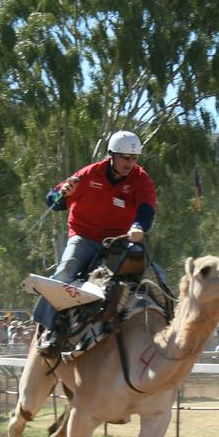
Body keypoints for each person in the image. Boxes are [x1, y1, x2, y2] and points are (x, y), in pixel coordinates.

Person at [33, 130, 157, 353]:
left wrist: (139, 227)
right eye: (125, 157)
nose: (130, 163)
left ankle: (166, 323)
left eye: (134, 158)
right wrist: (61, 194)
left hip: (119, 241)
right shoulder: (89, 174)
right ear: (111, 154)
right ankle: (48, 329)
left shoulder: (141, 180)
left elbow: (146, 208)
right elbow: (53, 200)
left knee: (155, 276)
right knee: (64, 273)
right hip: (84, 237)